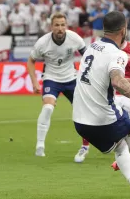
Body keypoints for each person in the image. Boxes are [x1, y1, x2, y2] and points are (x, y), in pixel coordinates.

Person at [72, 11, 130, 199]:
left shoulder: (92, 47)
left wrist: (129, 79)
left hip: (79, 121)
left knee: (127, 133)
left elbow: (99, 76)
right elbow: (117, 82)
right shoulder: (118, 54)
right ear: (123, 30)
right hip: (102, 118)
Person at [27, 13, 87, 157]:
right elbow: (31, 61)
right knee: (48, 108)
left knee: (83, 112)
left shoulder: (75, 38)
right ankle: (40, 145)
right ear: (51, 27)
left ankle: (85, 146)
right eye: (57, 25)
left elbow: (88, 56)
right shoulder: (42, 43)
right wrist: (35, 83)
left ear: (66, 26)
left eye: (62, 25)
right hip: (51, 79)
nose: (60, 28)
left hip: (71, 78)